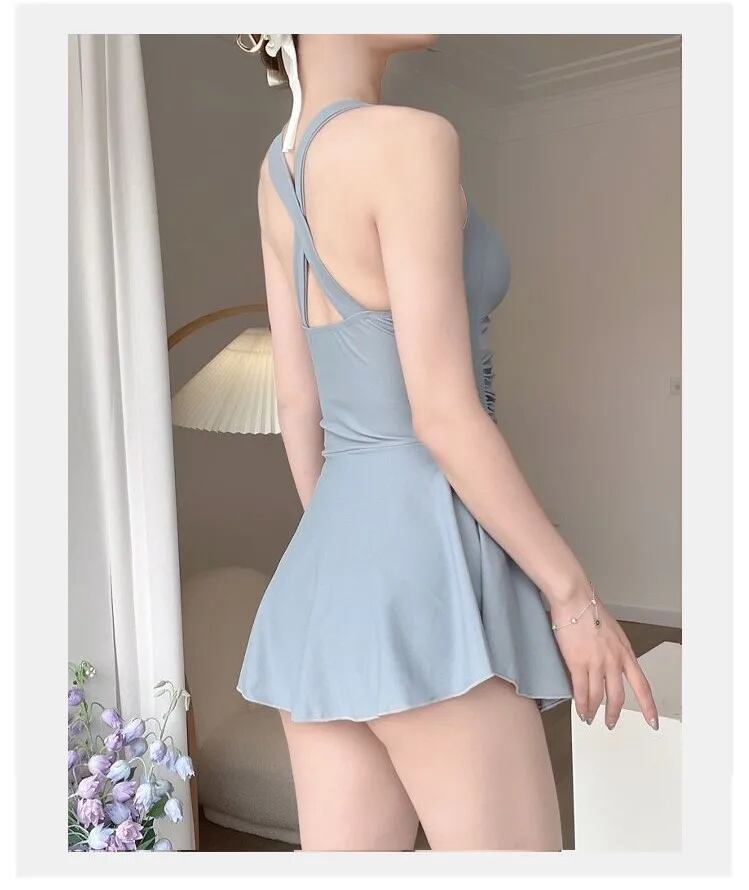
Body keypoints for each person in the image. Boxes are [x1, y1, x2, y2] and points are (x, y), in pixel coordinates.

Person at [235, 34, 658, 852]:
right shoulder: (410, 138)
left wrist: (356, 564)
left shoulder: (276, 171)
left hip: (323, 576)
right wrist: (573, 599)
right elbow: (443, 415)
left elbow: (297, 402)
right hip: (425, 561)